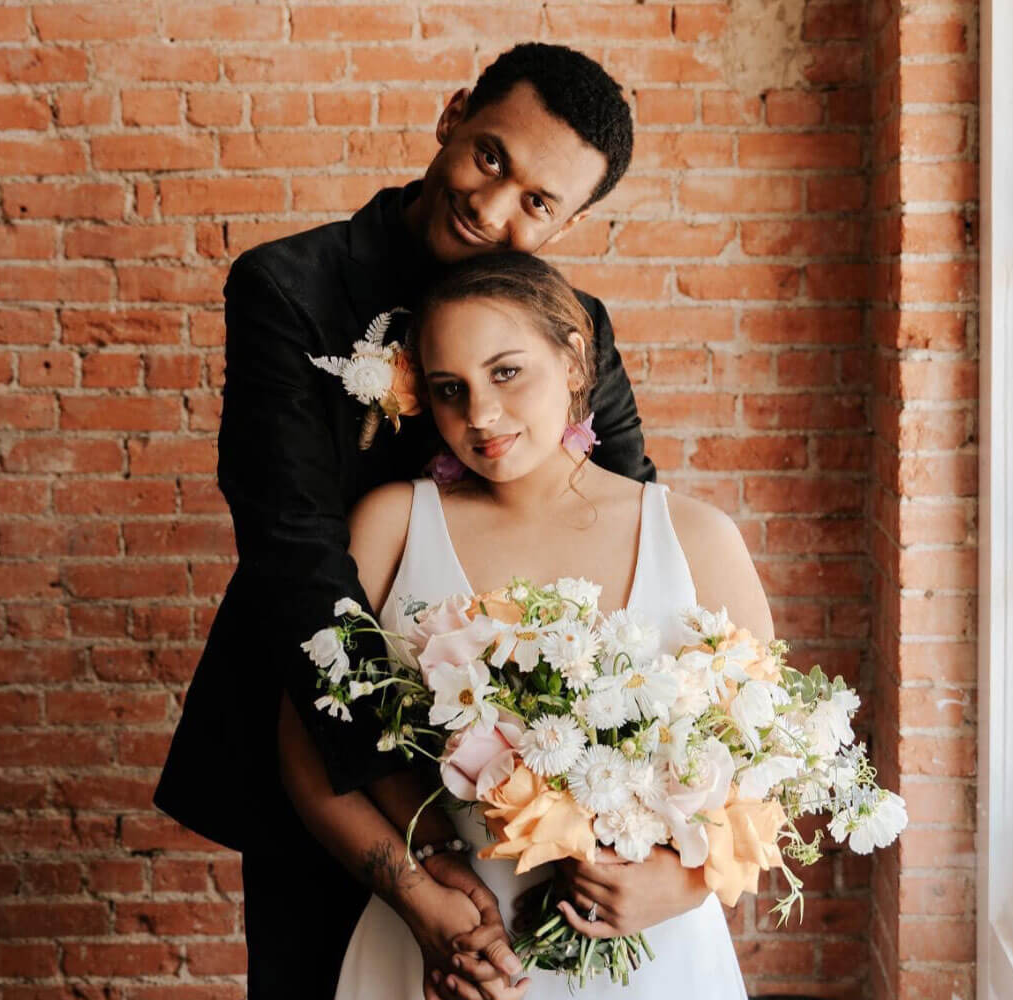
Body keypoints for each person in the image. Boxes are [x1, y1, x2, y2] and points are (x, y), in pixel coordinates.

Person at [152, 44, 656, 999]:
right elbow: (294, 554)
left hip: (534, 772)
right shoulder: (288, 287)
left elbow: (624, 525)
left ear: (572, 222)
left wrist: (588, 786)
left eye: (539, 203)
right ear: (454, 115)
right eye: (493, 157)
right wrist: (407, 831)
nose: (495, 206)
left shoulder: (576, 323)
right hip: (326, 746)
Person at [279, 251, 771, 999]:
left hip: (653, 958)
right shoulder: (392, 527)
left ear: (575, 361)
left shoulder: (698, 539)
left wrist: (687, 885)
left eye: (506, 372)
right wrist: (420, 900)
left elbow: (777, 767)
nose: (479, 416)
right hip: (444, 950)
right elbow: (309, 755)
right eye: (450, 389)